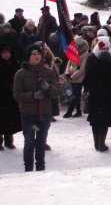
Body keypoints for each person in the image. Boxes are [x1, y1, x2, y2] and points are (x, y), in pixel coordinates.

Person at [13, 43, 59, 171]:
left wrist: (48, 88)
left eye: (39, 54)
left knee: (40, 142)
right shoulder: (20, 74)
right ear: (28, 56)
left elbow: (56, 92)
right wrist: (32, 95)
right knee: (29, 142)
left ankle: (40, 168)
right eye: (33, 54)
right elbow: (17, 95)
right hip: (28, 115)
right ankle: (28, 168)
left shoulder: (48, 72)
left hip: (44, 114)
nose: (37, 56)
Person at [84, 37, 111, 151]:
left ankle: (98, 143)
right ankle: (101, 143)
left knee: (97, 121)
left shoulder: (92, 58)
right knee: (103, 121)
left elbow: (87, 79)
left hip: (97, 97)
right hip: (106, 97)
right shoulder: (110, 59)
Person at [0, 45, 21, 150]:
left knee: (10, 120)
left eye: (8, 52)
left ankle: (9, 141)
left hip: (11, 97)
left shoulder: (14, 63)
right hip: (1, 97)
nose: (6, 55)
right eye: (4, 53)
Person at [63, 37, 89, 118]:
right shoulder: (74, 52)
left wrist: (73, 77)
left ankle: (70, 111)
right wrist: (67, 73)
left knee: (75, 95)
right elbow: (69, 63)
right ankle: (78, 111)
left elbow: (82, 69)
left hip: (79, 77)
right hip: (71, 75)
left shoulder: (85, 54)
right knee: (75, 94)